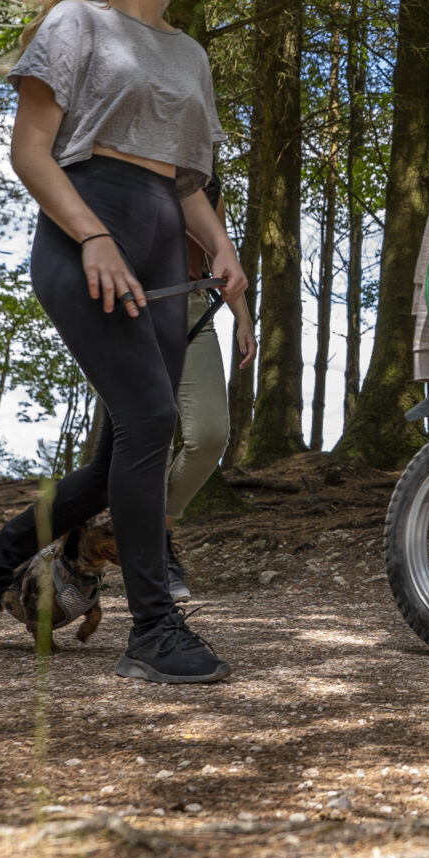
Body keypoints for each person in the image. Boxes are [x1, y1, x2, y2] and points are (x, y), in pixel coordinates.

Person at [0, 0, 246, 683]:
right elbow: (31, 152)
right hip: (88, 230)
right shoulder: (75, 23)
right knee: (151, 422)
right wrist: (95, 236)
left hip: (160, 240)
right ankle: (154, 626)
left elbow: (184, 179)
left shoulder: (189, 55)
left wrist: (223, 248)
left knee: (123, 451)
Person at [161, 173, 255, 601]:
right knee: (146, 437)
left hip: (194, 307)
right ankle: (149, 554)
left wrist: (243, 318)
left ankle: (160, 526)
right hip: (132, 311)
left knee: (211, 432)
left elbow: (221, 250)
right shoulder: (125, 163)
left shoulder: (207, 183)